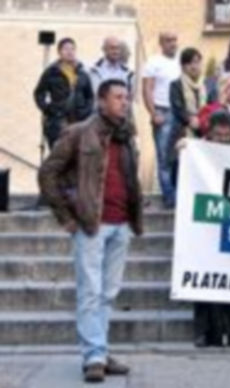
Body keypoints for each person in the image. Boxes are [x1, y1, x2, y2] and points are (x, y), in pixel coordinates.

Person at [38, 79, 142, 383]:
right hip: (91, 225)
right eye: (118, 97)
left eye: (127, 97)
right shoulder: (79, 132)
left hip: (121, 224)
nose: (124, 102)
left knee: (108, 293)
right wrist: (67, 217)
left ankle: (100, 349)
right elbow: (48, 173)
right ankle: (94, 356)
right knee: (90, 293)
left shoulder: (126, 135)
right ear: (101, 101)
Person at [187, 109, 230, 349]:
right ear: (208, 132)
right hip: (203, 220)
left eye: (226, 134)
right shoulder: (195, 152)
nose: (222, 138)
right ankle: (204, 332)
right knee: (203, 277)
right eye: (217, 134)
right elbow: (175, 176)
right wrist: (184, 152)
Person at [33, 37, 94, 149]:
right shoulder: (51, 72)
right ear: (59, 52)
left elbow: (90, 97)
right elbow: (39, 93)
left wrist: (85, 111)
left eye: (72, 49)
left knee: (77, 155)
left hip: (79, 120)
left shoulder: (83, 74)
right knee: (59, 154)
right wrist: (48, 109)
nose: (69, 52)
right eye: (66, 49)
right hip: (58, 120)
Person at [142, 32, 181, 208]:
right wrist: (153, 113)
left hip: (180, 113)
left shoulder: (181, 61)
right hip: (162, 111)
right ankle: (169, 196)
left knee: (179, 156)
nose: (172, 43)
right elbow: (147, 89)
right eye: (168, 40)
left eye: (174, 40)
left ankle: (180, 193)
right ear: (161, 43)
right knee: (164, 157)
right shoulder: (153, 62)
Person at [168, 47, 206, 181]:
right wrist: (190, 120)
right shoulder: (175, 85)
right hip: (182, 132)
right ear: (183, 66)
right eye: (190, 63)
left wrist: (202, 121)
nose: (194, 66)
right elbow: (177, 107)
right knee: (180, 173)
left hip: (204, 133)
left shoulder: (206, 85)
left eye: (197, 62)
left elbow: (211, 106)